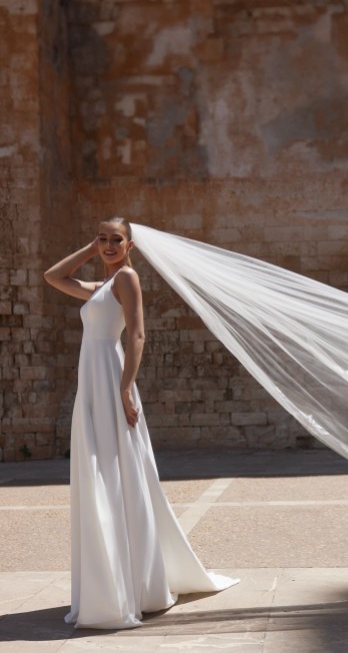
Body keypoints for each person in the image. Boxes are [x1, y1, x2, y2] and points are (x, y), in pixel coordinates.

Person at [44, 216, 237, 629]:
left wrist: (125, 387)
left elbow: (137, 335)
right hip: (91, 387)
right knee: (104, 476)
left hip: (110, 383)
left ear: (130, 246)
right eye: (103, 239)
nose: (110, 245)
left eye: (117, 240)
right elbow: (53, 275)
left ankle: (133, 585)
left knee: (118, 475)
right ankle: (120, 581)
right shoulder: (100, 288)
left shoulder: (127, 278)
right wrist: (90, 249)